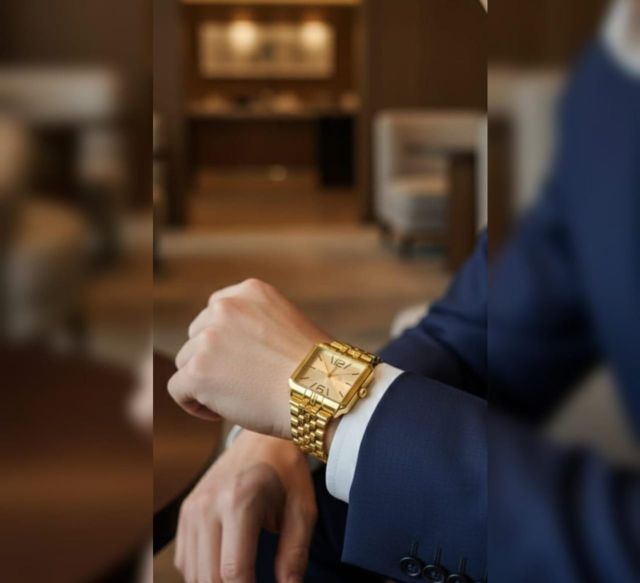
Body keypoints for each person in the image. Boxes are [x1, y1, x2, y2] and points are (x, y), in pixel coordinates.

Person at [167, 1, 640, 581]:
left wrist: (322, 393)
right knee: (279, 527)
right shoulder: (611, 81)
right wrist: (294, 428)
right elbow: (469, 337)